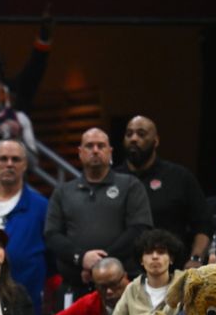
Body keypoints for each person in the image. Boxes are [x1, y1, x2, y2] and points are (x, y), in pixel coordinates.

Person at [45, 127, 153, 303]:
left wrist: (99, 264)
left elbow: (139, 229)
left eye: (101, 146)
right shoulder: (63, 191)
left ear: (110, 152)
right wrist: (81, 258)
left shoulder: (130, 185)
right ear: (80, 153)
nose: (95, 150)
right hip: (76, 285)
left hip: (122, 285)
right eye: (89, 146)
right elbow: (52, 235)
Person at [116, 115, 211, 267]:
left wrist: (196, 258)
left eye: (141, 134)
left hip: (172, 268)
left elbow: (203, 224)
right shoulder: (114, 179)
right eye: (129, 134)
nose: (133, 139)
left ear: (156, 141)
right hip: (123, 271)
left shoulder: (179, 177)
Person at [0, 139, 48, 315]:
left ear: (25, 165)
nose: (9, 164)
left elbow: (51, 255)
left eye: (15, 159)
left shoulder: (41, 207)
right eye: (3, 159)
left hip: (25, 303)